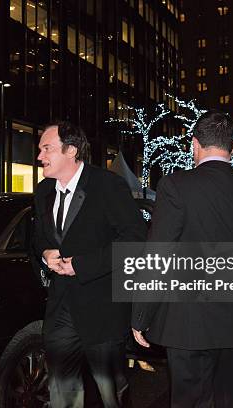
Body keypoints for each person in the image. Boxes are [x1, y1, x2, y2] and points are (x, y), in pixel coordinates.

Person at [131, 110, 233, 408]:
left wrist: (141, 315)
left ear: (194, 144)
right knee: (231, 399)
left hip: (187, 322)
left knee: (190, 400)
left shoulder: (175, 186)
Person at [32, 121, 146, 407]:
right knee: (62, 390)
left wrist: (82, 265)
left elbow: (135, 240)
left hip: (103, 310)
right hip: (59, 308)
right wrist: (45, 253)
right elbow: (35, 238)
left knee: (111, 393)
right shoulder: (43, 191)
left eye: (47, 148)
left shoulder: (108, 185)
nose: (39, 156)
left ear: (71, 150)